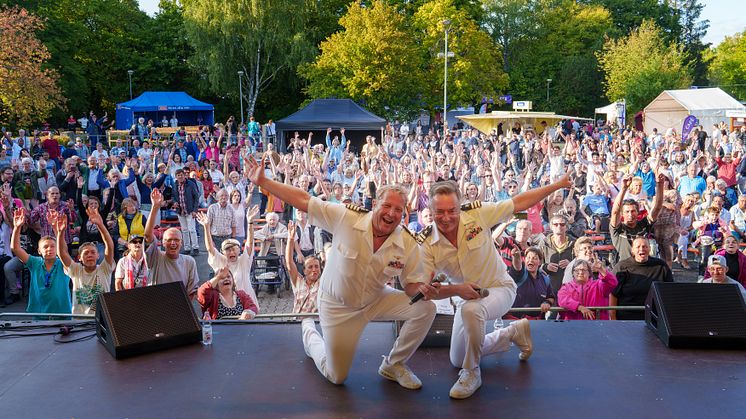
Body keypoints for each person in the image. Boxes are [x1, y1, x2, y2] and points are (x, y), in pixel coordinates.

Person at [246, 155, 436, 389]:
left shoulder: (407, 242)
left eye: (398, 209)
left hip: (375, 300)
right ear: (375, 204)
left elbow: (411, 286)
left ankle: (394, 364)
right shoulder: (347, 217)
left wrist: (426, 287)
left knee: (425, 308)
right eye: (386, 205)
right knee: (336, 376)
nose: (391, 213)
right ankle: (308, 333)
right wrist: (264, 182)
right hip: (337, 306)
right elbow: (305, 200)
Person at [419, 173, 572, 399]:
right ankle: (512, 333)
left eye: (452, 210)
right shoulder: (426, 243)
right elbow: (425, 289)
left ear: (460, 206)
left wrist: (557, 185)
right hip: (466, 298)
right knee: (456, 358)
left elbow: (519, 201)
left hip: (500, 288)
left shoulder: (477, 214)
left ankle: (472, 373)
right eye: (439, 212)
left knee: (472, 313)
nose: (446, 217)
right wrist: (455, 289)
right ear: (430, 212)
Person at [11, 208, 71, 314]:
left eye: (53, 246)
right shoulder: (35, 263)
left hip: (62, 314)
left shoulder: (63, 263)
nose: (49, 249)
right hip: (38, 313)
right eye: (45, 247)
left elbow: (64, 250)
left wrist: (57, 230)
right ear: (39, 251)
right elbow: (15, 249)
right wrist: (17, 228)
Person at [196, 205, 260, 305]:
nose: (232, 252)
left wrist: (250, 222)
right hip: (226, 303)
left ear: (239, 250)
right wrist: (206, 227)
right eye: (228, 250)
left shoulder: (243, 261)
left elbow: (250, 243)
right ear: (222, 252)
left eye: (234, 249)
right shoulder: (220, 261)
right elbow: (210, 248)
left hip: (247, 302)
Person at [55, 207, 114, 314]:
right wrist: (60, 232)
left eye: (93, 252)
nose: (89, 255)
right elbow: (62, 254)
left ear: (98, 256)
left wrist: (100, 225)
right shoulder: (76, 270)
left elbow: (109, 246)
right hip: (79, 320)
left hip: (101, 320)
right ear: (79, 258)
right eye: (86, 253)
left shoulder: (104, 269)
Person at [142, 189, 199, 299]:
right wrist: (155, 207)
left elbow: (191, 292)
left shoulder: (189, 262)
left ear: (181, 243)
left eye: (176, 240)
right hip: (157, 308)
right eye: (169, 240)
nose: (173, 243)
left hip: (180, 310)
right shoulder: (156, 257)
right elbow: (148, 236)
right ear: (163, 243)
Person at [611, 238, 673, 320]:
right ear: (632, 250)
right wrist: (613, 318)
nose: (641, 249)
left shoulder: (661, 266)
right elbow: (613, 294)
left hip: (654, 317)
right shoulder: (621, 267)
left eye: (645, 246)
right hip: (627, 317)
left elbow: (670, 291)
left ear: (649, 249)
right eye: (638, 247)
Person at [609, 173, 665, 261]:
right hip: (625, 269)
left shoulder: (644, 224)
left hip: (644, 267)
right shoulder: (618, 228)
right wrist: (624, 188)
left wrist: (660, 185)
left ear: (638, 212)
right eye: (627, 211)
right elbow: (615, 212)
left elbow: (657, 207)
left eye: (633, 211)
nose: (630, 214)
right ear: (622, 214)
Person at [286, 220, 321, 314]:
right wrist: (290, 239)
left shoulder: (323, 284)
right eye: (310, 267)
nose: (314, 270)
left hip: (316, 323)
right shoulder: (298, 281)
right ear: (304, 271)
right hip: (298, 322)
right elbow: (289, 262)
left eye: (316, 266)